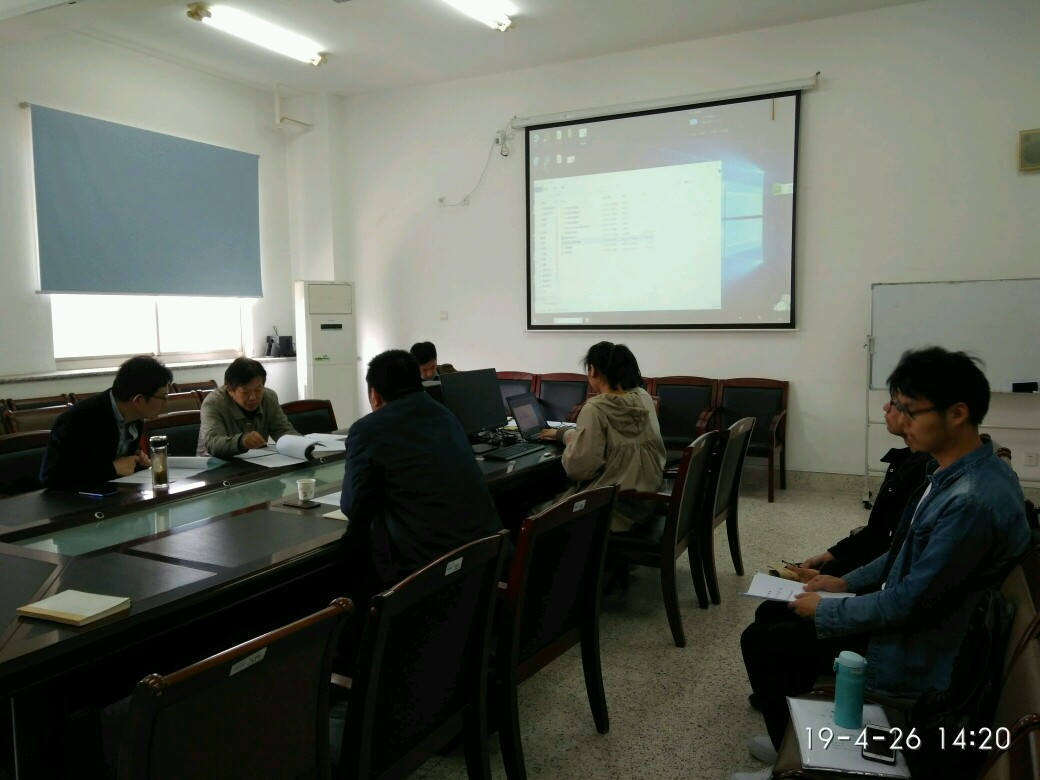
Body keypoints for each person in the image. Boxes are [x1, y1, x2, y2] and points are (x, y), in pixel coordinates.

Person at [734, 347, 1030, 780]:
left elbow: (909, 604)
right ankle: (794, 741)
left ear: (957, 413)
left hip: (920, 652)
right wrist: (842, 583)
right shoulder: (954, 471)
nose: (900, 421)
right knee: (779, 615)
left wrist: (828, 611)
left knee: (763, 640)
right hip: (920, 623)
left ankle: (799, 761)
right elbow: (902, 551)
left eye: (910, 411)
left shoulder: (971, 503)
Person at [340, 349, 501, 592]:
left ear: (374, 396)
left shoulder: (367, 430)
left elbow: (352, 506)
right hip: (482, 560)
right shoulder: (447, 415)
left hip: (427, 574)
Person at [539, 341, 666, 532]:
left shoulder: (595, 408)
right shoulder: (641, 399)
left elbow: (580, 469)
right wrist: (565, 435)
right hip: (644, 503)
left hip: (611, 509)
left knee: (530, 515)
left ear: (592, 370)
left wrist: (570, 446)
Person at [40, 355, 173, 489]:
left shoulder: (135, 416)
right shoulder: (79, 419)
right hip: (75, 499)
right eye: (163, 396)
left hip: (112, 493)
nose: (166, 402)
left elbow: (116, 464)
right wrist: (113, 468)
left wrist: (137, 463)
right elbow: (52, 477)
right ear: (138, 400)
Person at [197, 357, 299, 458]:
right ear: (229, 390)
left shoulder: (269, 398)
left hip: (254, 460)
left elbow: (283, 430)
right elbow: (213, 444)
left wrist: (302, 445)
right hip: (212, 463)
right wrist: (241, 441)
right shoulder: (213, 404)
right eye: (245, 392)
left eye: (258, 390)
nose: (253, 397)